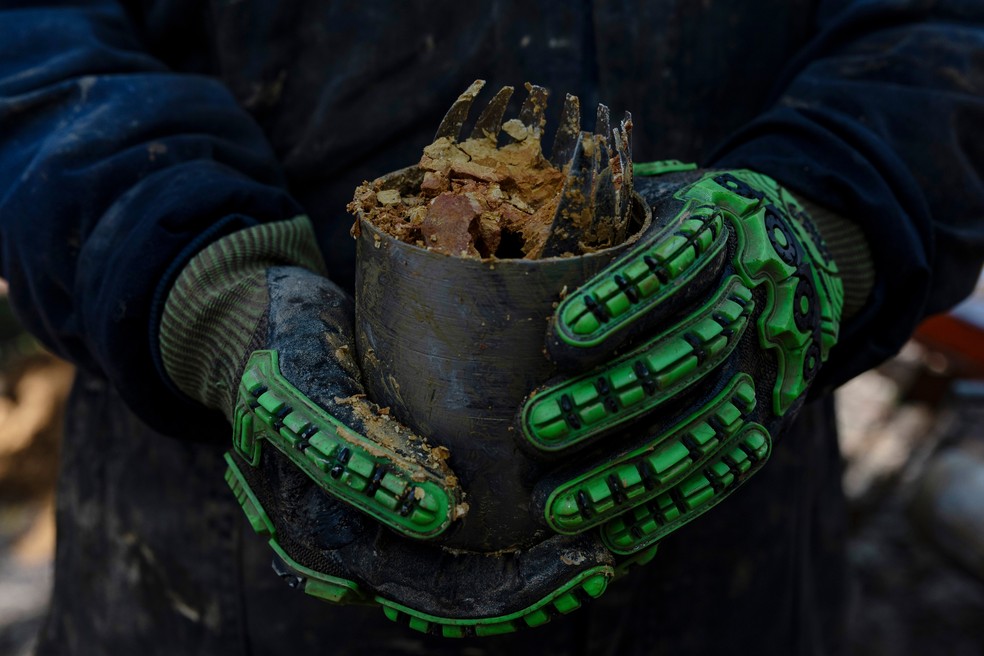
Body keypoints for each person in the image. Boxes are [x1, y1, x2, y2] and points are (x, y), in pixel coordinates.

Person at [1, 1, 982, 655]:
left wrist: (829, 213)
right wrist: (190, 279)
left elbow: (947, 27)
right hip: (228, 548)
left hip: (713, 473)